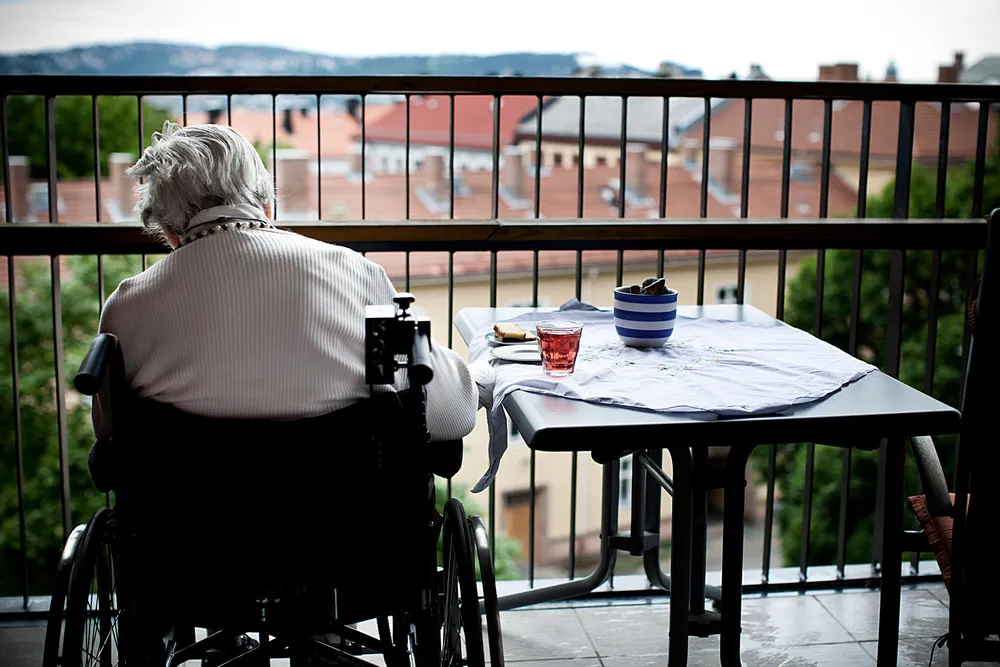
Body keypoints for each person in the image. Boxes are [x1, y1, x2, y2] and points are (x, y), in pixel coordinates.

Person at [93, 121, 484, 442]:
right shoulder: (356, 274)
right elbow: (451, 414)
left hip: (183, 517)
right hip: (344, 514)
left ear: (168, 232)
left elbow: (110, 433)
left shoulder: (126, 308)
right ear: (267, 205)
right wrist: (483, 375)